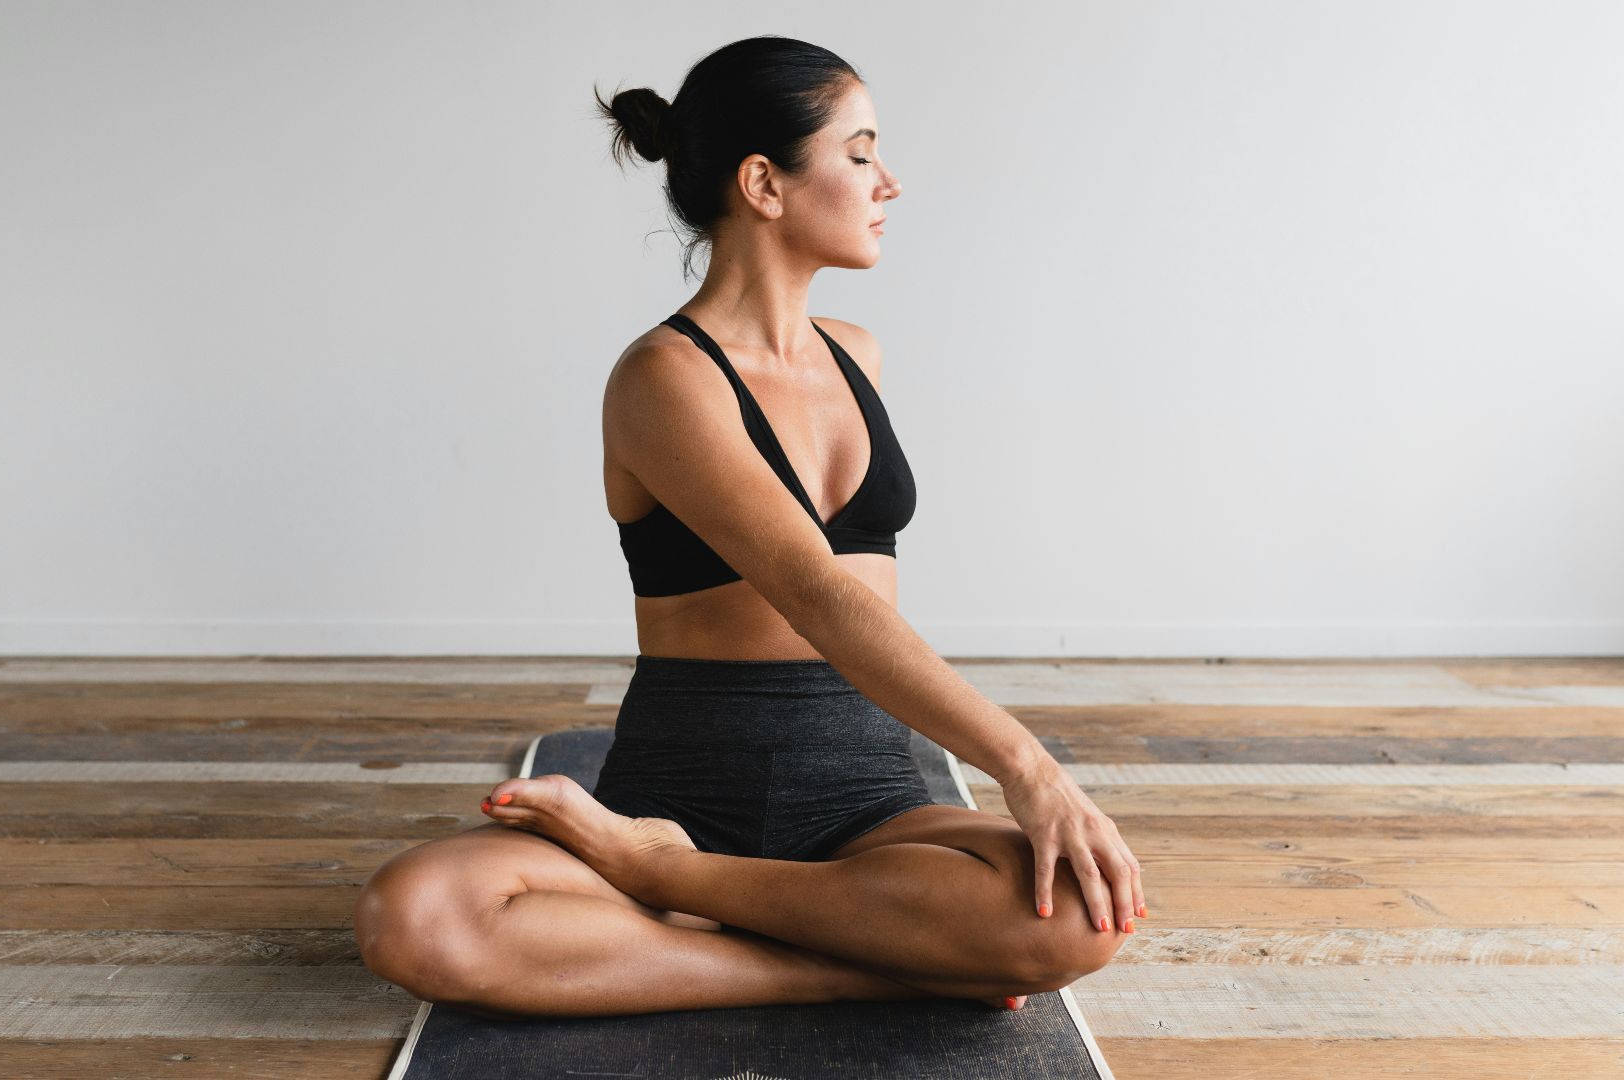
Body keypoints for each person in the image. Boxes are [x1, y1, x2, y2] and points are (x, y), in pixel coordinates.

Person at [353, 35, 1142, 1021]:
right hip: (681, 793)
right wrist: (1029, 767)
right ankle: (843, 952)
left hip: (865, 803)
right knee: (417, 916)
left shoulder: (859, 356)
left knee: (1083, 913)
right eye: (859, 154)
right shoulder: (663, 379)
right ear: (764, 183)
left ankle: (687, 896)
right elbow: (816, 593)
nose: (888, 182)